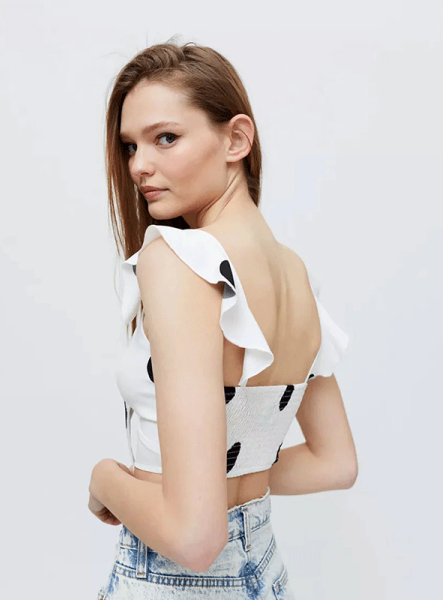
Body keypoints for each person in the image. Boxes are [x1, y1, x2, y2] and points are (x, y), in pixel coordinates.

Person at [88, 40, 358, 599]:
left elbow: (195, 540)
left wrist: (107, 479)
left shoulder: (179, 261)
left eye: (166, 138)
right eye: (130, 145)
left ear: (236, 139)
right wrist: (216, 483)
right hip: (264, 572)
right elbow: (333, 462)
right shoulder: (294, 274)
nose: (138, 165)